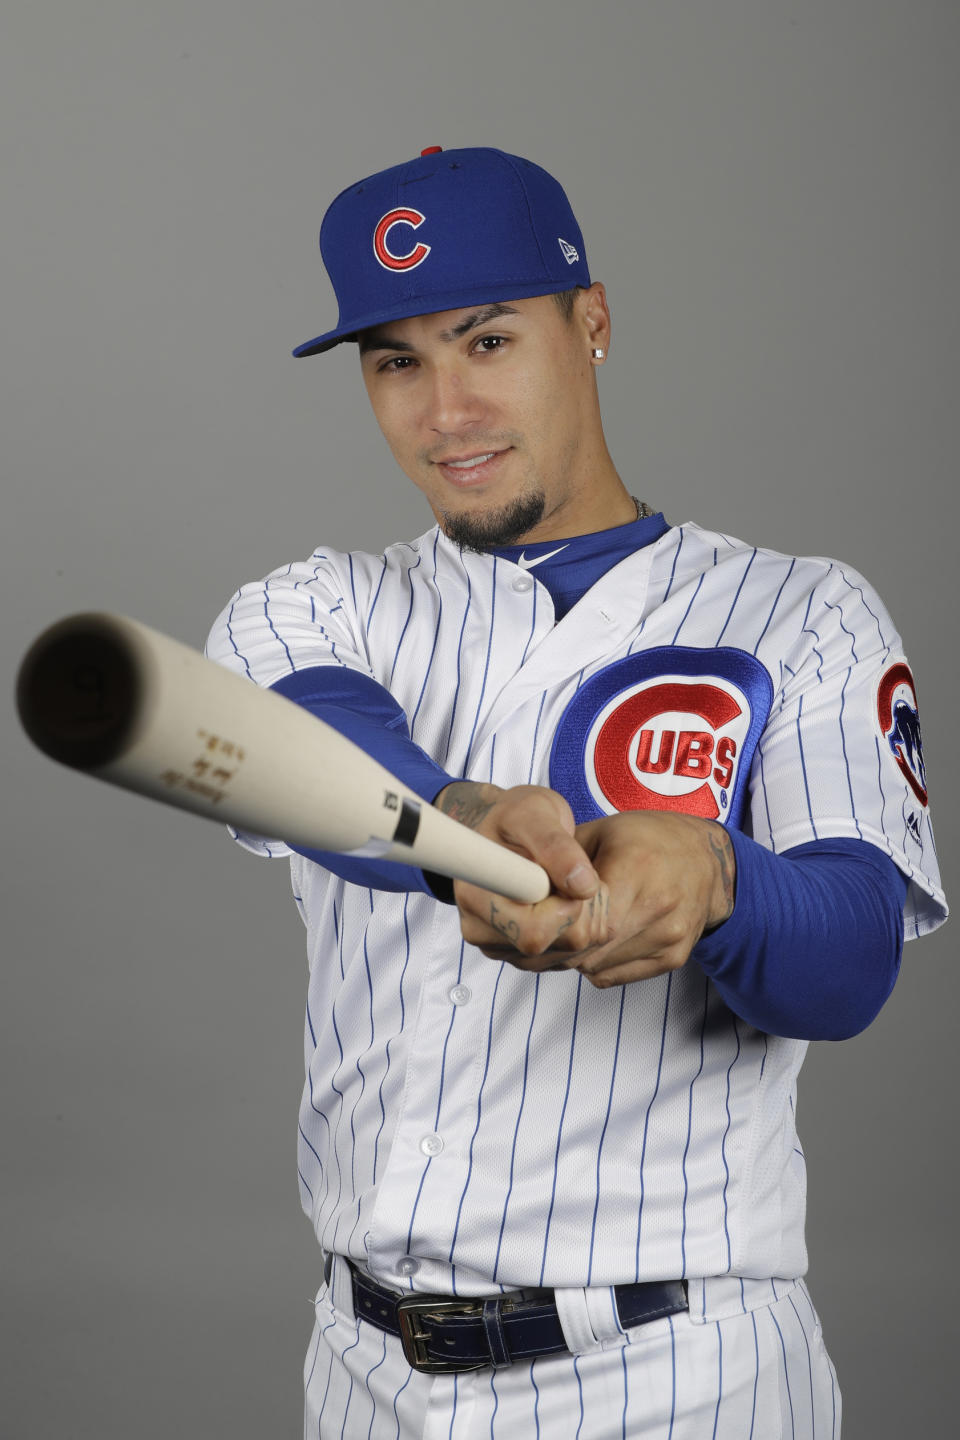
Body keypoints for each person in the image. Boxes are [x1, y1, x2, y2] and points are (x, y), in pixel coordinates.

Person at [207, 146, 946, 1439]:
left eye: (486, 340)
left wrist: (720, 879)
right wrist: (465, 831)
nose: (445, 409)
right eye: (397, 362)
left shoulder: (801, 614)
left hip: (680, 1374)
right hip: (364, 1369)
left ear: (591, 322)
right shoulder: (312, 605)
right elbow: (310, 743)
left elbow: (850, 961)